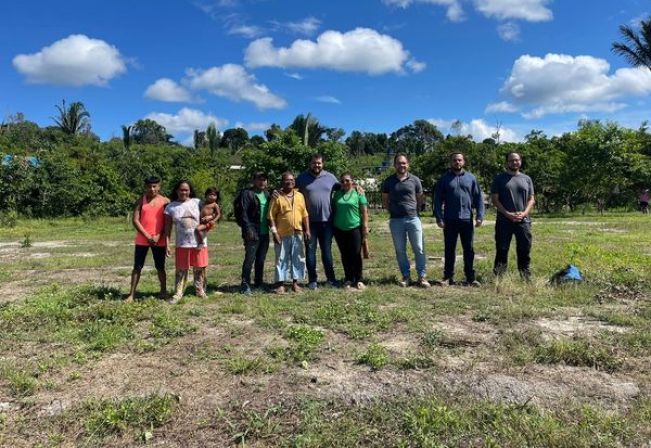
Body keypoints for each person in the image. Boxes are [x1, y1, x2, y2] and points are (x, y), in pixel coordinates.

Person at [434, 153, 485, 286]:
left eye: (459, 160)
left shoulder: (471, 178)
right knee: (449, 249)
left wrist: (480, 215)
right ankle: (448, 277)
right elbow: (437, 200)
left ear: (463, 162)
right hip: (449, 220)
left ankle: (470, 277)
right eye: (454, 160)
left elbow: (478, 198)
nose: (457, 162)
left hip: (467, 219)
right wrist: (439, 217)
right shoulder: (444, 179)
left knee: (469, 249)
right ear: (451, 162)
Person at [381, 153, 431, 288]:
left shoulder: (415, 180)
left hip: (413, 218)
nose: (401, 165)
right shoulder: (389, 181)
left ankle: (422, 276)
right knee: (400, 250)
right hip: (396, 220)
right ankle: (406, 276)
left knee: (419, 248)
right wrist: (391, 210)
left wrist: (417, 211)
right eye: (398, 163)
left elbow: (420, 198)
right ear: (394, 165)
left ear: (408, 164)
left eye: (404, 163)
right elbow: (385, 200)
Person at [296, 154, 339, 290]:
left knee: (327, 251)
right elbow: (290, 189)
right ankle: (312, 280)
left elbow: (344, 187)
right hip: (309, 223)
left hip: (327, 222)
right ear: (310, 163)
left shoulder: (331, 177)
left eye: (319, 163)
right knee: (310, 252)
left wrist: (356, 187)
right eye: (314, 163)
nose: (317, 165)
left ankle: (331, 279)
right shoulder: (302, 178)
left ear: (323, 164)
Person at [125, 176, 170, 303]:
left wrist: (158, 236)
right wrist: (148, 236)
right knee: (137, 267)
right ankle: (131, 295)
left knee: (160, 267)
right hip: (142, 240)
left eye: (155, 186)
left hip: (158, 240)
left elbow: (167, 223)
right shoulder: (141, 200)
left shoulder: (166, 201)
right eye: (149, 186)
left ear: (159, 186)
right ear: (145, 187)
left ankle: (163, 291)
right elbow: (135, 220)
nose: (152, 189)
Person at [491, 152, 535, 279]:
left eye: (516, 160)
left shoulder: (527, 179)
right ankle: (499, 277)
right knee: (502, 249)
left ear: (520, 161)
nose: (514, 162)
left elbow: (531, 199)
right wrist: (507, 214)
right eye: (511, 160)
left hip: (523, 220)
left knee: (524, 249)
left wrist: (524, 213)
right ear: (507, 162)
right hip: (504, 220)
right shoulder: (499, 178)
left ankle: (525, 275)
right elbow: (495, 199)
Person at [164, 180, 208, 302]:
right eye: (181, 190)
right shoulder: (170, 207)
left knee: (199, 267)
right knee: (181, 269)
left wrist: (211, 220)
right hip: (182, 244)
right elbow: (167, 229)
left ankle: (200, 290)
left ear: (190, 191)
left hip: (199, 242)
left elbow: (210, 211)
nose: (184, 192)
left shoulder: (198, 202)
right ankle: (178, 293)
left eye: (186, 190)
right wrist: (167, 244)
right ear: (177, 191)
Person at [268, 172, 310, 294]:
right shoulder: (277, 197)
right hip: (282, 234)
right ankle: (280, 284)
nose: (289, 182)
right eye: (286, 180)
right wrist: (274, 232)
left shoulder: (300, 196)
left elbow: (305, 214)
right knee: (281, 258)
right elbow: (271, 217)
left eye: (292, 180)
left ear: (294, 182)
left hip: (298, 232)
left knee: (298, 258)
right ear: (282, 182)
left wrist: (307, 229)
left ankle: (295, 283)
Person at [332, 173, 369, 290]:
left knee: (356, 254)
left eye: (347, 180)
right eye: (342, 181)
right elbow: (333, 209)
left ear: (352, 182)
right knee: (345, 254)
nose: (345, 183)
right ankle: (348, 278)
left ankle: (358, 279)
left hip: (355, 228)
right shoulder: (337, 194)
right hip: (339, 229)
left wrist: (365, 227)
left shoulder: (359, 193)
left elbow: (364, 212)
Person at [239, 172, 271, 295]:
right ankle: (245, 284)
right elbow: (243, 214)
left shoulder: (267, 194)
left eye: (264, 180)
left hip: (265, 232)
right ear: (254, 181)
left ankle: (258, 283)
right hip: (252, 232)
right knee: (250, 259)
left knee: (261, 259)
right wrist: (248, 230)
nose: (262, 182)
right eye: (259, 179)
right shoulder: (247, 194)